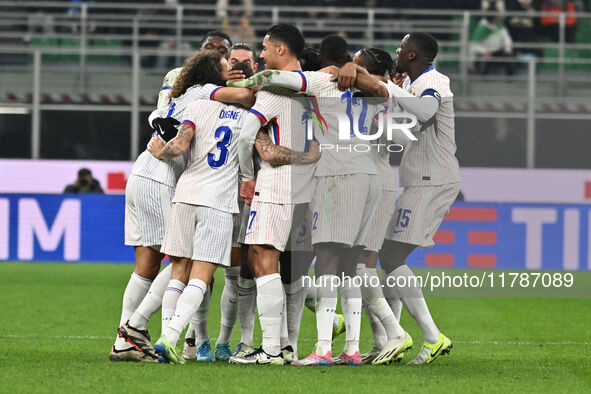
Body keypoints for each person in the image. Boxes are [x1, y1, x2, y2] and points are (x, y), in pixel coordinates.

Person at [110, 32, 247, 362]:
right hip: (164, 174)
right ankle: (138, 332)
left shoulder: (182, 90)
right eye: (226, 62)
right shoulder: (204, 92)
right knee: (181, 261)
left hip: (144, 170)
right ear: (212, 70)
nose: (231, 66)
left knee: (147, 265)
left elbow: (159, 118)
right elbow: (244, 95)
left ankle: (130, 336)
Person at [228, 24, 319, 365]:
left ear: (281, 50)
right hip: (306, 190)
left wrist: (247, 177)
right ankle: (288, 345)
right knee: (293, 270)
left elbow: (244, 137)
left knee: (262, 260)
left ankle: (269, 350)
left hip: (277, 186)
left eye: (265, 48)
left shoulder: (273, 90)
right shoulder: (312, 90)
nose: (261, 55)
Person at [379, 32, 460, 365]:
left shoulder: (435, 81)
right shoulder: (415, 83)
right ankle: (394, 339)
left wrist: (391, 88)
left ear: (412, 55)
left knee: (390, 255)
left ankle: (431, 336)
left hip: (433, 181)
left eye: (401, 48)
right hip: (420, 181)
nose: (397, 51)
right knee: (387, 256)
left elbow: (426, 111)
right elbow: (402, 130)